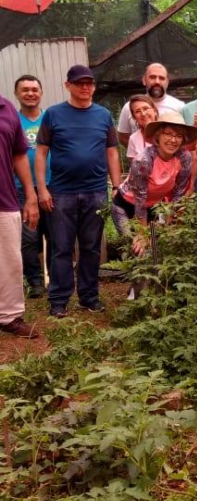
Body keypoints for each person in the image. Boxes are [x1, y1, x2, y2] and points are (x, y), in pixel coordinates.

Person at [36, 65, 121, 318]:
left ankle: (89, 296)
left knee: (91, 247)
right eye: (79, 83)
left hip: (95, 192)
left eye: (89, 83)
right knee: (61, 247)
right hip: (61, 193)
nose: (85, 87)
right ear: (68, 85)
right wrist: (42, 189)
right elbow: (41, 153)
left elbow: (112, 152)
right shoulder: (53, 114)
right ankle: (59, 300)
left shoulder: (103, 115)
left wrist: (116, 186)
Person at [111, 111, 197, 255]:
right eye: (168, 134)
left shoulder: (184, 158)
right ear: (158, 136)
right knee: (137, 250)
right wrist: (142, 233)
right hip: (126, 206)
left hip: (153, 207)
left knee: (157, 247)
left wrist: (169, 219)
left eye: (178, 136)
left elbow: (178, 192)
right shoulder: (143, 161)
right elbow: (140, 201)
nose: (173, 140)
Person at [0, 89, 39, 338]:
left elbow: (19, 154)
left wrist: (31, 194)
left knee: (10, 261)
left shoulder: (6, 110)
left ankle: (9, 316)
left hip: (4, 198)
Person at [14, 75, 50, 298]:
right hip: (20, 187)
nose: (30, 93)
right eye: (25, 90)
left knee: (55, 234)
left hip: (52, 184)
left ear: (41, 93)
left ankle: (56, 278)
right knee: (28, 237)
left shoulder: (50, 118)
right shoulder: (12, 120)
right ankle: (34, 281)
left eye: (35, 89)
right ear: (17, 94)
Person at [117, 63, 185, 147]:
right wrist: (138, 152)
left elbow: (185, 137)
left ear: (167, 82)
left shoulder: (179, 106)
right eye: (152, 77)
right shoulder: (129, 107)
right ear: (144, 80)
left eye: (161, 78)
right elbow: (123, 137)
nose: (157, 81)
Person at [126, 95, 158, 161]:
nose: (143, 113)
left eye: (146, 108)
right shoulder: (133, 139)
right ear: (134, 117)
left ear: (154, 110)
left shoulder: (168, 132)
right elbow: (134, 167)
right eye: (138, 111)